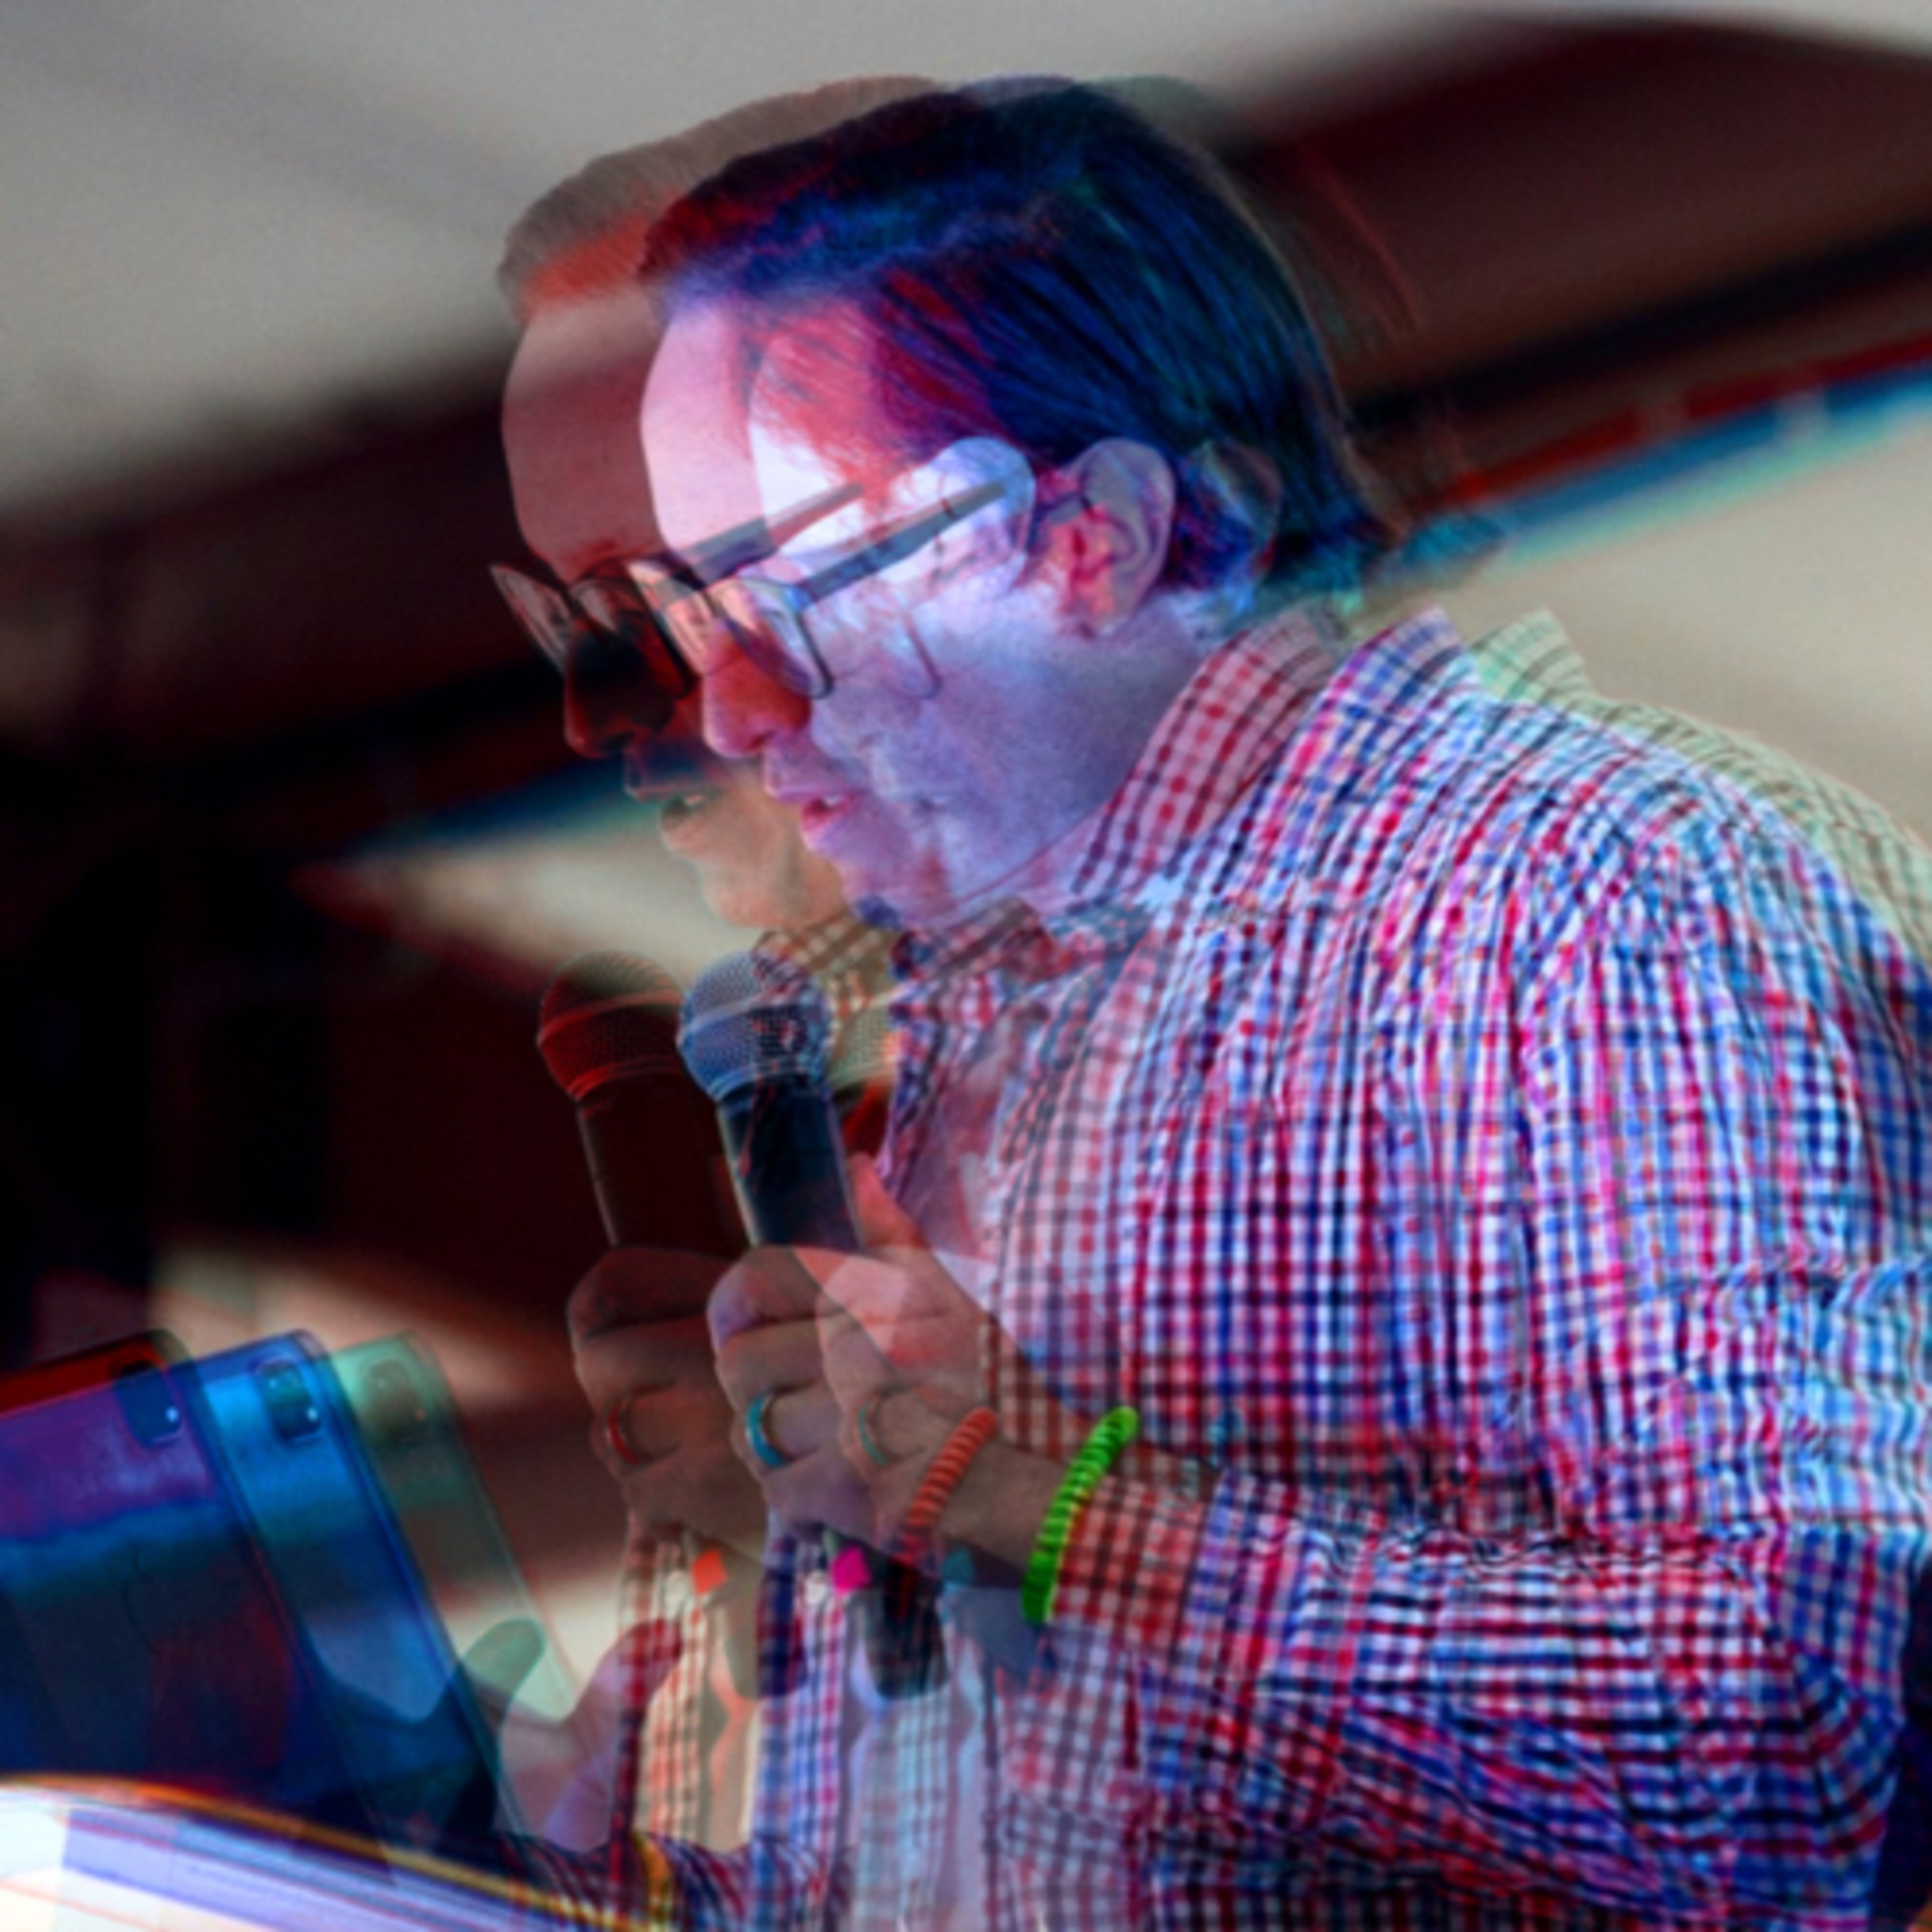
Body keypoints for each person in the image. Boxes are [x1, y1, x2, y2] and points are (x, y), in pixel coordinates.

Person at [528, 77, 1932, 1929]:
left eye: (784, 596)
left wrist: (1058, 1510)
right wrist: (543, 1859)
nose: (725, 707)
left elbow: (1808, 1763)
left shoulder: (1601, 897)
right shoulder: (1000, 1009)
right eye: (690, 616)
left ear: (1094, 538)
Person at [493, 81, 920, 1855]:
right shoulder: (840, 1145)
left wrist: (965, 1529)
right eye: (564, 617)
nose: (598, 718)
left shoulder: (1403, 1049)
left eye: (662, 593)